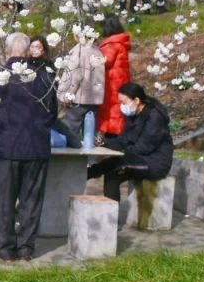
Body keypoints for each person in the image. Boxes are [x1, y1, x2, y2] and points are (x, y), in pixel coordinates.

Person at [0, 33, 58, 262]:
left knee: (3, 198)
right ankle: (26, 247)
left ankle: (5, 247)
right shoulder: (44, 76)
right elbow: (52, 113)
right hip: (36, 146)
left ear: (7, 52)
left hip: (6, 146)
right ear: (27, 52)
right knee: (31, 199)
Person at [87, 83, 174, 228]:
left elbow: (144, 147)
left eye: (123, 102)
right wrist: (105, 143)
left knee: (115, 166)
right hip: (140, 158)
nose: (122, 106)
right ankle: (110, 218)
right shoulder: (134, 115)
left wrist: (122, 151)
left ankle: (110, 221)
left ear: (137, 100)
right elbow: (124, 139)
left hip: (155, 163)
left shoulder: (154, 117)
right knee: (112, 169)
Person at [58, 33, 105, 137]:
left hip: (79, 98)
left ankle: (66, 153)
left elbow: (74, 76)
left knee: (69, 133)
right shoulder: (97, 51)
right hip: (94, 99)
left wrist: (67, 96)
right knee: (88, 135)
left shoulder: (79, 51)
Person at [96, 15, 131, 141]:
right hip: (120, 82)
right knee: (118, 112)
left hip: (112, 85)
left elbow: (105, 61)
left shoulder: (112, 44)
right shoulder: (121, 43)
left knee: (112, 113)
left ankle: (112, 139)